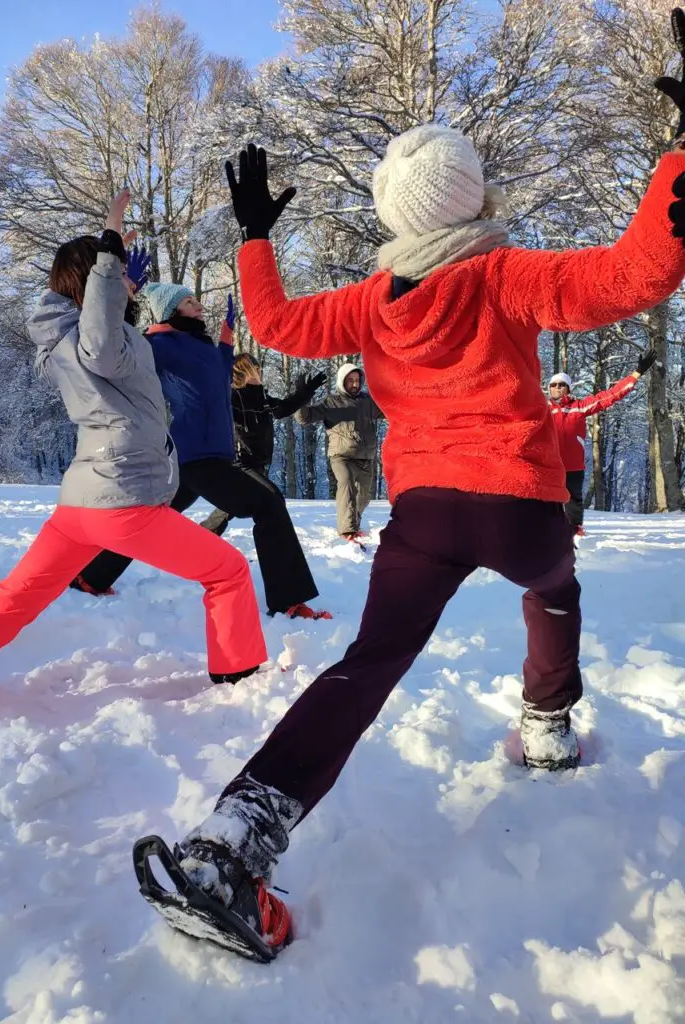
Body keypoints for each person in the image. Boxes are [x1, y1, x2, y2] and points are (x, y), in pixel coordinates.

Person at [141, 37, 685, 952]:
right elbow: (638, 275)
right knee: (554, 587)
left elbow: (271, 323)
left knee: (370, 660)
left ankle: (234, 841)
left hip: (426, 511)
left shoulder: (365, 302)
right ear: (472, 196)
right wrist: (676, 153)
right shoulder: (509, 274)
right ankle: (548, 722)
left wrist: (255, 237)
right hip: (518, 505)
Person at [0, 191, 267, 700]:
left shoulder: (62, 335)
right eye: (119, 272)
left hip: (79, 505)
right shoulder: (99, 340)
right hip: (123, 499)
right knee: (228, 570)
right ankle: (239, 675)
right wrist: (109, 250)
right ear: (95, 277)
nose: (128, 281)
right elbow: (104, 345)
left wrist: (118, 286)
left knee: (13, 599)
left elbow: (103, 338)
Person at [73, 285, 330, 620]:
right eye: (190, 302)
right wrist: (121, 300)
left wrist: (226, 340)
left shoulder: (202, 345)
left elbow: (219, 377)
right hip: (198, 455)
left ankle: (91, 577)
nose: (199, 306)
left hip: (202, 456)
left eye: (196, 300)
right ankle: (288, 602)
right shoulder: (157, 345)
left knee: (148, 519)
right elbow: (113, 348)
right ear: (171, 310)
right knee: (268, 504)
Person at [200, 353, 327, 536]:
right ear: (245, 372)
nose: (260, 371)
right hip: (241, 462)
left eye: (259, 368)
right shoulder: (232, 398)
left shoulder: (262, 398)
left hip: (258, 462)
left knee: (234, 502)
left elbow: (284, 408)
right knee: (272, 498)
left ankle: (206, 533)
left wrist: (307, 390)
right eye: (255, 368)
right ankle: (278, 543)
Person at [548, 350, 656, 535]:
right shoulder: (542, 410)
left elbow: (611, 395)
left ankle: (574, 531)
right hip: (549, 464)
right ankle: (544, 530)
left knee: (573, 499)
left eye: (562, 384)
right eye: (554, 385)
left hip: (573, 465)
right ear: (549, 388)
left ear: (569, 388)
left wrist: (636, 373)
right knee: (545, 499)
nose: (558, 387)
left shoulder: (579, 407)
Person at [295, 362, 384, 541]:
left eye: (357, 380)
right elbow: (304, 418)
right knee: (347, 483)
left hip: (366, 457)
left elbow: (389, 410)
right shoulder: (331, 402)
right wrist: (301, 398)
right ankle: (347, 531)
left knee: (364, 498)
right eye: (350, 380)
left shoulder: (367, 401)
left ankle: (353, 523)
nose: (354, 384)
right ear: (342, 381)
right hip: (341, 456)